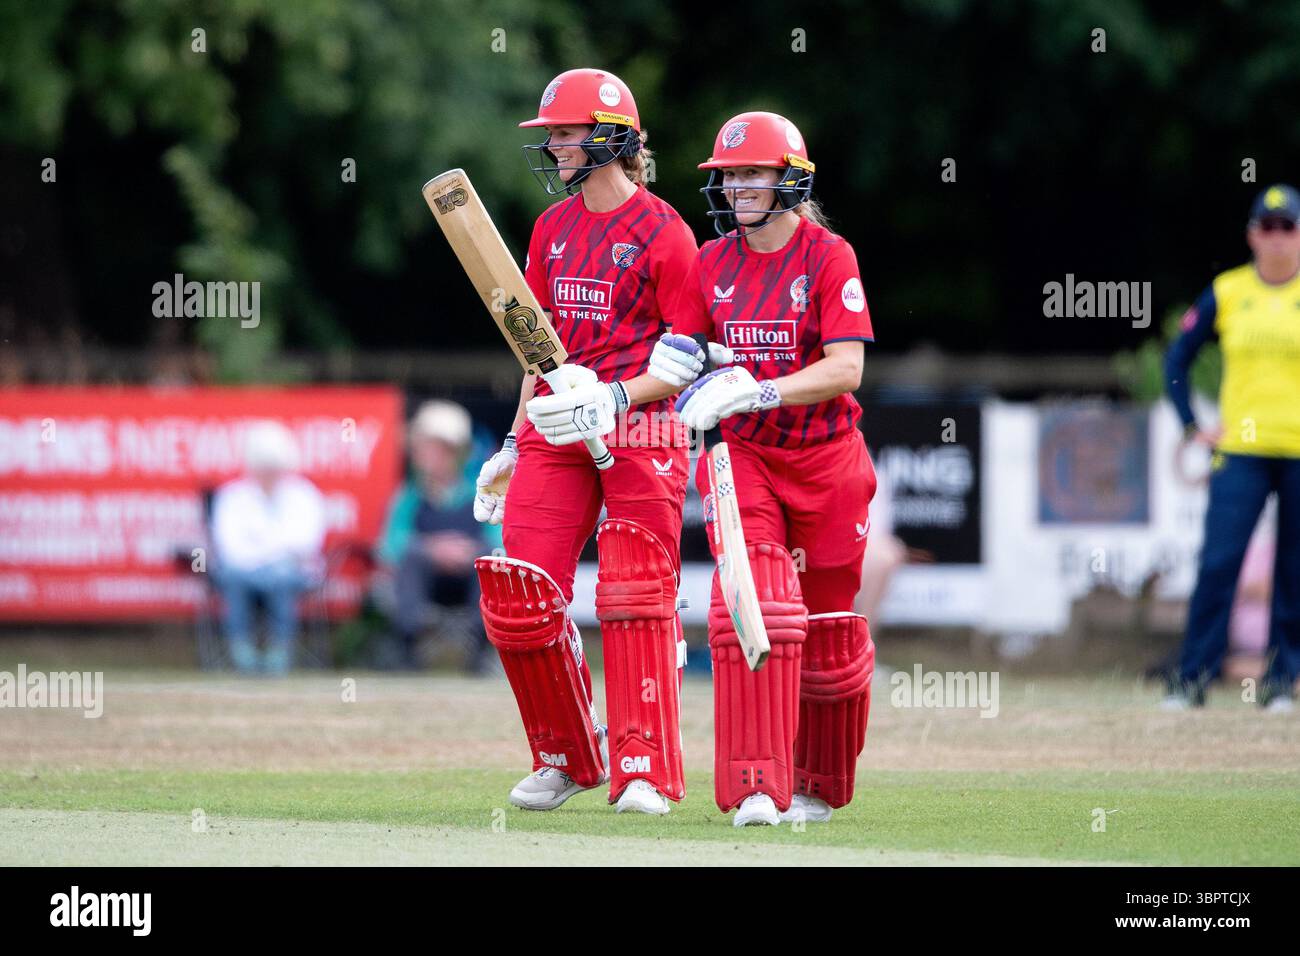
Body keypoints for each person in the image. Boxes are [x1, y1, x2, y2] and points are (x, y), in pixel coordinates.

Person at [472, 68, 703, 814]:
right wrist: (512, 444)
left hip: (641, 424)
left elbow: (687, 358)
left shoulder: (667, 232)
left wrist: (610, 399)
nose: (555, 147)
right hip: (554, 430)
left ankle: (645, 767)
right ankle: (569, 755)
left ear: (609, 137)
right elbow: (536, 351)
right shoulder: (550, 229)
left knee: (635, 597)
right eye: (554, 136)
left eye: (566, 134)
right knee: (519, 596)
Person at [666, 111, 878, 825]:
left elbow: (846, 368)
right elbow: (684, 354)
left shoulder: (829, 255)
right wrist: (616, 390)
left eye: (751, 172)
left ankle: (816, 781)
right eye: (728, 175)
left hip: (827, 461)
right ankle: (757, 779)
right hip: (746, 457)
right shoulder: (711, 260)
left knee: (824, 629)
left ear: (790, 178)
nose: (736, 187)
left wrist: (760, 387)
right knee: (752, 603)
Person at [1162, 183, 1300, 712]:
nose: (1277, 239)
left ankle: (1282, 683)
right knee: (1220, 563)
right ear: (1252, 235)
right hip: (1240, 451)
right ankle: (1191, 680)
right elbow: (1178, 359)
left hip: (1295, 453)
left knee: (1293, 570)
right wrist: (1192, 425)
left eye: (1287, 227)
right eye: (1268, 228)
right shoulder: (1227, 290)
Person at [377, 400, 500, 671]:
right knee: (412, 555)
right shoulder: (409, 498)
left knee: (486, 559)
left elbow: (499, 544)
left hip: (470, 580)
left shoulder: (481, 495)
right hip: (422, 584)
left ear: (456, 453)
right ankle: (407, 648)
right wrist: (433, 549)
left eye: (437, 449)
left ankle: (480, 651)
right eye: (424, 448)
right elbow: (389, 547)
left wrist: (466, 552)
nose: (428, 456)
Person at [211, 421, 326, 675]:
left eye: (273, 467)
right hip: (242, 572)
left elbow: (305, 543)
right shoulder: (232, 497)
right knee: (233, 577)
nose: (269, 473)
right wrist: (272, 553)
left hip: (290, 574)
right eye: (263, 467)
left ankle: (280, 650)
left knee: (281, 579)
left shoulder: (304, 495)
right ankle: (241, 650)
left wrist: (265, 550)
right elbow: (230, 547)